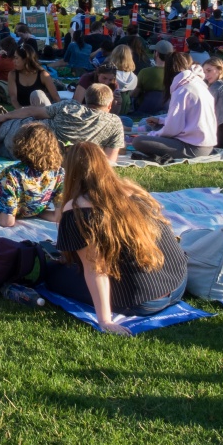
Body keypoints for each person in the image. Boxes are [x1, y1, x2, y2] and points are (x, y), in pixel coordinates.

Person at [40, 142, 188, 333]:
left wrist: (105, 321)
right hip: (178, 284)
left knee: (53, 273)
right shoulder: (133, 192)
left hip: (143, 301)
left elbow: (95, 268)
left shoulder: (78, 209)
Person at [0, 83, 125, 165]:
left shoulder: (70, 106)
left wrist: (3, 117)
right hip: (47, 160)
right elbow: (110, 161)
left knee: (5, 124)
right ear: (109, 105)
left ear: (86, 99)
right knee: (6, 146)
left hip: (28, 142)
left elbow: (31, 111)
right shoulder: (115, 123)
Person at [133, 52, 217, 161]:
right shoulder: (198, 84)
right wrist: (160, 121)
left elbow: (174, 128)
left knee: (138, 141)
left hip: (193, 147)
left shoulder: (182, 90)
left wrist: (154, 134)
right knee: (156, 126)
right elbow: (188, 119)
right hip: (206, 144)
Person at [7, 40, 58, 108]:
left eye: (16, 58)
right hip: (23, 111)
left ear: (25, 60)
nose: (14, 61)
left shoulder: (43, 74)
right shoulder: (12, 75)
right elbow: (13, 99)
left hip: (42, 111)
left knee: (36, 94)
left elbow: (56, 97)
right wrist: (21, 112)